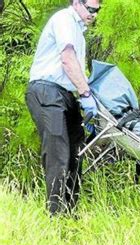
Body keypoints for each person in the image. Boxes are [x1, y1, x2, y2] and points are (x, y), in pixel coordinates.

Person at [25, 0, 100, 215]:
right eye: (91, 9)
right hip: (46, 90)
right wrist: (86, 94)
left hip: (66, 94)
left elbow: (76, 71)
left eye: (97, 11)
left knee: (76, 152)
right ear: (77, 3)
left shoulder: (79, 31)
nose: (94, 15)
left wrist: (87, 98)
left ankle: (69, 213)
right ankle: (55, 215)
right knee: (58, 153)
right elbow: (67, 60)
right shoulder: (64, 19)